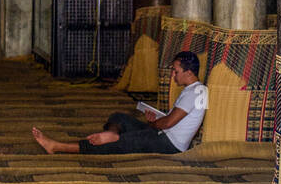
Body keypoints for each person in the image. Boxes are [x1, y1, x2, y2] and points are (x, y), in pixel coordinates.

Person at [32, 51, 207, 155]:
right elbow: (172, 120)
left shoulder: (195, 92)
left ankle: (57, 146)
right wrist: (154, 120)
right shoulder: (195, 90)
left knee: (114, 144)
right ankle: (113, 134)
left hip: (169, 144)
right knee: (119, 117)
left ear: (189, 72)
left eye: (176, 72)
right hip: (163, 133)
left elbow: (168, 123)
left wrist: (154, 123)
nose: (173, 76)